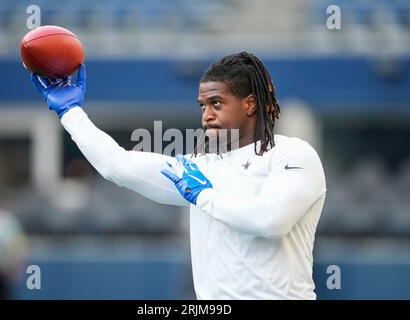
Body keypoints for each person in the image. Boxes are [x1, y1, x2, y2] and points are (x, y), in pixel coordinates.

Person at [30, 52, 326, 299]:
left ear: (249, 104)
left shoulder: (294, 154)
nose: (206, 115)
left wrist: (204, 195)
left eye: (216, 103)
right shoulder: (201, 167)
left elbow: (272, 220)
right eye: (203, 105)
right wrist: (70, 113)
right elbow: (118, 166)